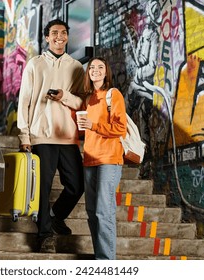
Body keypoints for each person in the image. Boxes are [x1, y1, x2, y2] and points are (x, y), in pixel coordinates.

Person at [17, 19, 85, 253]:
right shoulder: (34, 65)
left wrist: (64, 96)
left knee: (76, 186)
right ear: (47, 37)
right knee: (42, 188)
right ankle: (45, 235)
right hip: (40, 136)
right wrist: (24, 135)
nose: (59, 36)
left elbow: (80, 102)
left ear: (67, 37)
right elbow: (24, 101)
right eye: (54, 33)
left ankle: (56, 217)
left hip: (67, 136)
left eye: (63, 33)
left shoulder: (76, 66)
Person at [77, 57, 127, 260]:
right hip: (89, 159)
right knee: (91, 211)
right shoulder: (88, 99)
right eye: (92, 68)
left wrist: (93, 126)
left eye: (100, 67)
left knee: (103, 212)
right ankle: (100, 254)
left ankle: (106, 261)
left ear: (106, 72)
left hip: (109, 160)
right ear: (88, 73)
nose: (96, 70)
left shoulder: (113, 95)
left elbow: (120, 128)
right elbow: (86, 130)